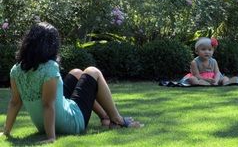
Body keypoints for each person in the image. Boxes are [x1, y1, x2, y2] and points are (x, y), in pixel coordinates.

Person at [1, 22, 141, 143]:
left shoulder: (16, 70)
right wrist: (51, 137)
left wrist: (6, 131)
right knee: (93, 71)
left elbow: (15, 102)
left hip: (42, 124)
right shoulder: (50, 67)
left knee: (77, 73)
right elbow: (47, 104)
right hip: (70, 124)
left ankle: (105, 117)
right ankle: (118, 120)